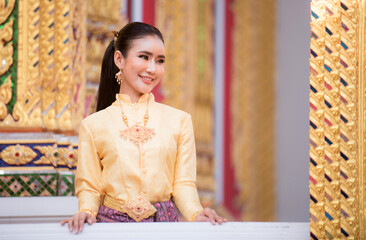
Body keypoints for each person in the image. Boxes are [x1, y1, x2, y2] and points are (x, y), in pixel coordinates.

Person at [61, 22, 226, 234]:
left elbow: (183, 183)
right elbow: (90, 186)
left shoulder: (179, 121)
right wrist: (85, 211)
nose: (152, 69)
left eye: (160, 61)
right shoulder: (93, 125)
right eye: (144, 57)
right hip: (111, 230)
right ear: (119, 59)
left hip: (165, 229)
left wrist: (195, 213)